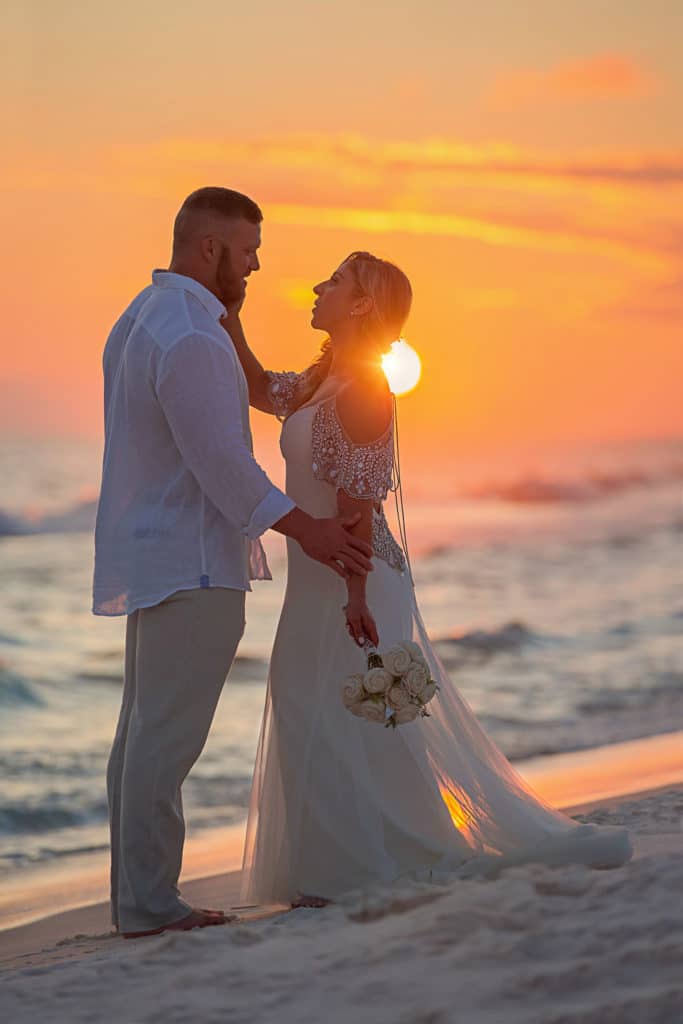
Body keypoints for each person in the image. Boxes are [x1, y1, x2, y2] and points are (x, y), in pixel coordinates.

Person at [230, 251, 632, 908]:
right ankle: (329, 868)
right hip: (319, 577)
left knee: (357, 718)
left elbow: (356, 506)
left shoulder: (362, 386)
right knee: (308, 707)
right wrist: (226, 310)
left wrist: (355, 600)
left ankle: (356, 866)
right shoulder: (318, 381)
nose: (316, 288)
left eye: (334, 282)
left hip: (354, 580)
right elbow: (253, 385)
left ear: (362, 304)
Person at [92, 189, 374, 938]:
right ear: (210, 248)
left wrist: (235, 321)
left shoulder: (150, 315)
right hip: (192, 563)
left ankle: (136, 901)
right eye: (248, 250)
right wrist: (305, 530)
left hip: (160, 554)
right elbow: (218, 460)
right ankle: (150, 906)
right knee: (163, 739)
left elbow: (242, 410)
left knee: (142, 736)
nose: (257, 263)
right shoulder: (188, 334)